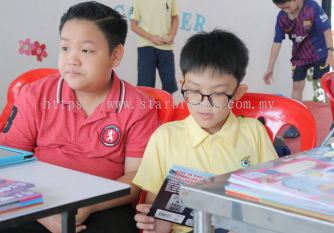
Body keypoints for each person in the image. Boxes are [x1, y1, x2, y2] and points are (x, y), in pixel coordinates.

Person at [0, 2, 159, 233]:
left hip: (103, 203)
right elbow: (8, 164)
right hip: (34, 198)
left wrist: (89, 204)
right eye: (65, 48)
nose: (72, 60)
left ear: (115, 55)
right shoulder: (35, 95)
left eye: (86, 51)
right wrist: (39, 210)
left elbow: (136, 177)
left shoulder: (138, 106)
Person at [133, 29, 278, 233]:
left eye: (218, 94)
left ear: (237, 93)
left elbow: (271, 198)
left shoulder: (253, 132)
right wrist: (153, 223)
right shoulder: (164, 137)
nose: (204, 105)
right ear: (182, 85)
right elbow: (158, 214)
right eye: (194, 91)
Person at [263, 0, 334, 138]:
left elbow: (326, 29)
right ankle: (296, 124)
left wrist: (330, 51)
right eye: (282, 8)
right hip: (299, 56)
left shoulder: (311, 7)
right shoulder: (282, 18)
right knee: (297, 86)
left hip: (319, 52)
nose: (286, 11)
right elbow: (277, 41)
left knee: (326, 86)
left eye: (288, 6)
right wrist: (270, 67)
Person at [130, 0, 179, 94]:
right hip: (146, 48)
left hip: (166, 47)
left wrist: (172, 35)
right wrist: (151, 38)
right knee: (145, 85)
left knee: (169, 84)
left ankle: (166, 107)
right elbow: (133, 25)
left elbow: (175, 17)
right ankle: (147, 108)